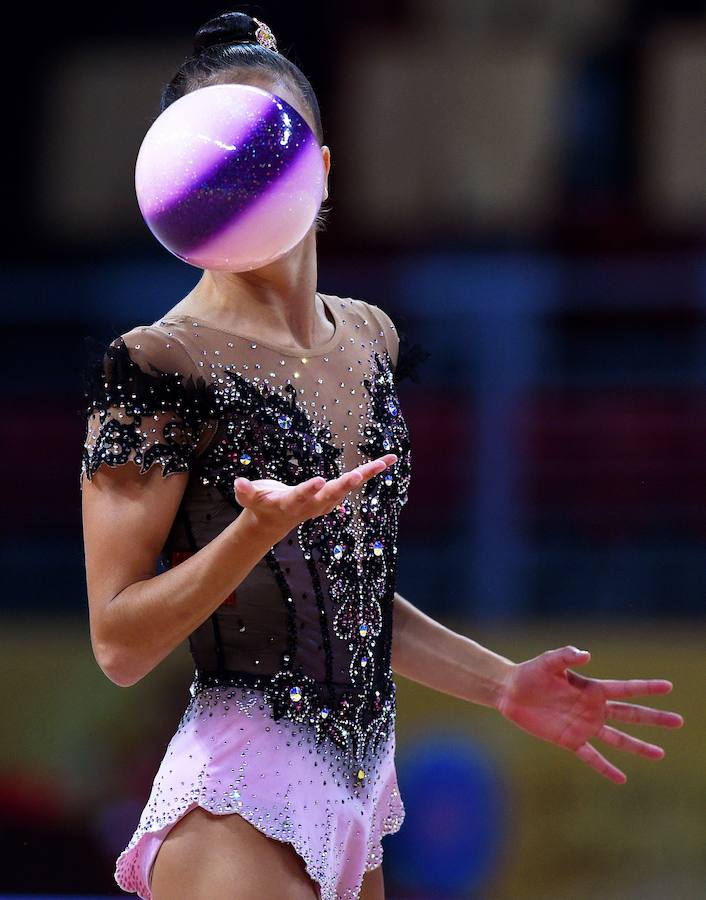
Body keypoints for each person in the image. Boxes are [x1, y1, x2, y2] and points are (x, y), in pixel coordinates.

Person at [79, 11, 684, 900]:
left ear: (321, 166)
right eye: (217, 140)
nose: (242, 158)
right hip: (237, 803)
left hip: (361, 802)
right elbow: (118, 644)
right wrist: (249, 536)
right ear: (181, 173)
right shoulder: (157, 365)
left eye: (268, 135)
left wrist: (502, 684)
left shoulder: (369, 339)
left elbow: (349, 599)